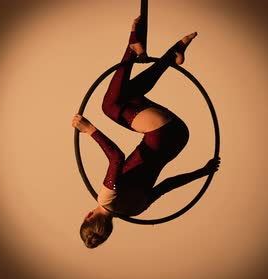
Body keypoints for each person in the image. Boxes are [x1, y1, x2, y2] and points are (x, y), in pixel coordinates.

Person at [72, 16, 220, 249]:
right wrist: (90, 130)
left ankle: (172, 53)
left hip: (178, 139)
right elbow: (116, 157)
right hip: (159, 133)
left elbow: (167, 185)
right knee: (110, 107)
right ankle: (134, 48)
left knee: (127, 95)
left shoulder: (136, 209)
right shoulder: (106, 198)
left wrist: (203, 171)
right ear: (88, 216)